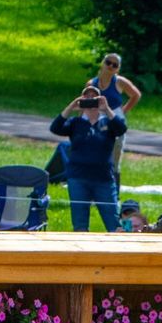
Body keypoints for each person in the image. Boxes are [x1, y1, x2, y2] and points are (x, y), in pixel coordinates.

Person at [50, 86, 128, 232]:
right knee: (80, 224)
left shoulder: (108, 123)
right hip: (78, 178)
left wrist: (107, 109)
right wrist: (71, 107)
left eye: (94, 97)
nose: (91, 100)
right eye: (87, 97)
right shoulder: (75, 123)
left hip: (103, 179)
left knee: (113, 222)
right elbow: (55, 128)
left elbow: (121, 129)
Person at [87, 53, 141, 186]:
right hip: (97, 120)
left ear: (118, 69)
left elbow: (135, 95)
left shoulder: (119, 81)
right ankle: (94, 185)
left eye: (114, 65)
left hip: (114, 120)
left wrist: (123, 111)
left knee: (115, 154)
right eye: (108, 62)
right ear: (102, 63)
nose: (110, 66)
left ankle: (113, 187)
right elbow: (85, 103)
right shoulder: (91, 83)